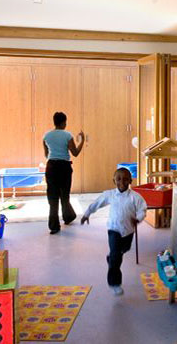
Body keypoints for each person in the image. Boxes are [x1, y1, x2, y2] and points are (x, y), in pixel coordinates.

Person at [80, 167, 146, 296]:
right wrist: (87, 214)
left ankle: (111, 258)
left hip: (128, 231)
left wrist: (138, 219)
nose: (122, 181)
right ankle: (115, 283)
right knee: (116, 256)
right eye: (119, 179)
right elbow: (97, 203)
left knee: (124, 249)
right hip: (113, 230)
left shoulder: (135, 197)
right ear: (114, 181)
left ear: (130, 181)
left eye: (126, 179)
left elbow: (142, 209)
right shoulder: (109, 194)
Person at [43, 111, 84, 234]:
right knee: (64, 195)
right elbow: (75, 153)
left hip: (51, 167)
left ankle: (54, 226)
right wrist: (82, 140)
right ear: (63, 122)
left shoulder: (46, 136)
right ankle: (68, 217)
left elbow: (46, 155)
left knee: (52, 197)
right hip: (64, 167)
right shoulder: (67, 135)